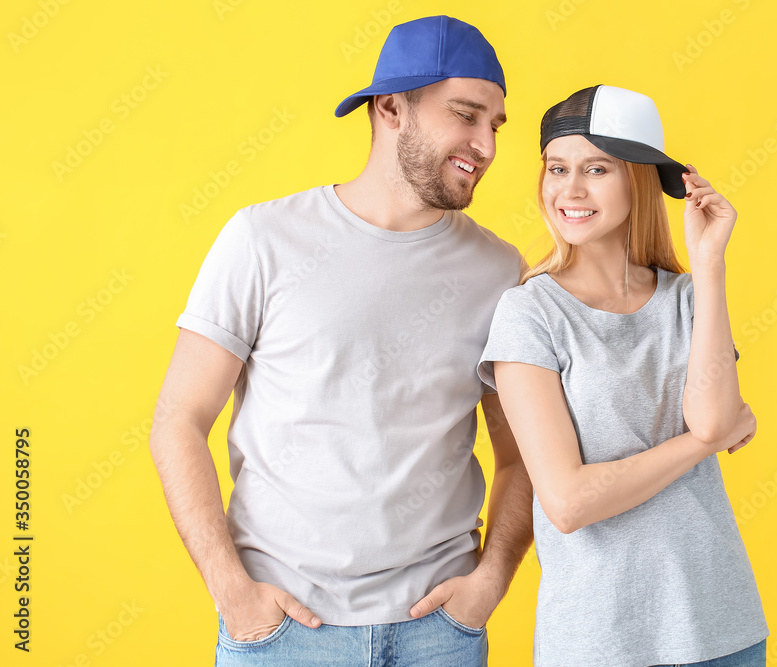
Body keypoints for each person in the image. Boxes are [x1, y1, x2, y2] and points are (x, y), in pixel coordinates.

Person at [149, 15, 533, 666]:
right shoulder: (264, 240)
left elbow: (522, 452)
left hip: (438, 634)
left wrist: (490, 580)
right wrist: (232, 592)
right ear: (391, 108)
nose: (487, 145)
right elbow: (178, 420)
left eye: (495, 125)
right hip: (285, 632)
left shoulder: (500, 271)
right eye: (467, 116)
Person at [476, 85, 770, 666]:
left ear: (637, 180)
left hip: (723, 628)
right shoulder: (531, 313)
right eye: (557, 168)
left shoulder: (688, 298)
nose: (570, 190)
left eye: (596, 169)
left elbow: (711, 415)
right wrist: (700, 443)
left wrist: (709, 265)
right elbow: (567, 501)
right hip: (600, 643)